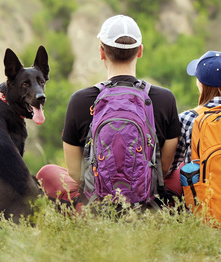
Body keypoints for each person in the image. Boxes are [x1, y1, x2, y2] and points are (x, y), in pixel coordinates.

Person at [37, 15, 183, 211]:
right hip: (148, 205)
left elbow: (75, 172)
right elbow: (164, 169)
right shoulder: (165, 98)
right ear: (140, 51)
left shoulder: (80, 100)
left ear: (101, 52)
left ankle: (81, 214)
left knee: (47, 172)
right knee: (183, 172)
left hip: (97, 206)